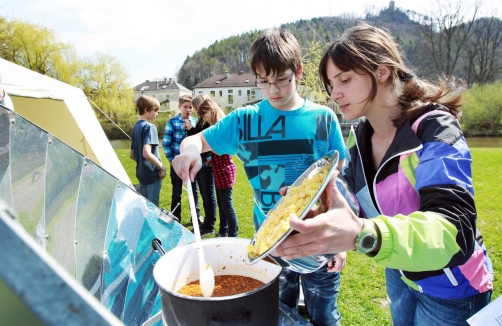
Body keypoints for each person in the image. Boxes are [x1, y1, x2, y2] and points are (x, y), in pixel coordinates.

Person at [274, 23, 493, 326]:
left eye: (345, 80)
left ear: (382, 71)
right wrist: (316, 207)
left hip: (453, 290)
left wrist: (365, 235)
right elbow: (353, 201)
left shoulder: (434, 129)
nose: (334, 94)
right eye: (330, 85)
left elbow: (454, 231)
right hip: (399, 272)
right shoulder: (361, 137)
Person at [172, 29, 347, 326]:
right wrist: (189, 151)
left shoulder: (322, 119)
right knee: (277, 313)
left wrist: (340, 243)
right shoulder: (244, 121)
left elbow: (337, 181)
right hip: (271, 247)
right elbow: (197, 142)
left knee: (324, 316)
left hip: (320, 244)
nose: (274, 89)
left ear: (298, 72)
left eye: (281, 79)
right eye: (264, 82)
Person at [192, 94, 239, 238]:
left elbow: (224, 148)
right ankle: (223, 231)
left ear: (211, 110)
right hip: (218, 170)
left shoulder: (220, 126)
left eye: (203, 114)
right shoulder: (214, 127)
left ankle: (233, 234)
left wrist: (209, 148)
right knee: (222, 204)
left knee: (227, 205)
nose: (203, 118)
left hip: (225, 171)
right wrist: (211, 160)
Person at [162, 95, 203, 224]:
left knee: (194, 191)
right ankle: (175, 217)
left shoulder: (195, 122)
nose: (188, 110)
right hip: (177, 164)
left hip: (191, 165)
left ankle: (196, 216)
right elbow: (166, 144)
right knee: (176, 192)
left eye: (191, 107)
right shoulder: (172, 122)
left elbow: (199, 142)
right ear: (179, 107)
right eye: (185, 107)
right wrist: (172, 161)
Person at [188, 95, 217, 236]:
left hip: (206, 164)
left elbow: (202, 139)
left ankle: (210, 224)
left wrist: (190, 129)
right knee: (205, 194)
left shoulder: (206, 121)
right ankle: (207, 222)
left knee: (208, 194)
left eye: (194, 106)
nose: (193, 110)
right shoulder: (201, 120)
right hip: (201, 163)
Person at [130, 95, 166, 206]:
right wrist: (162, 167)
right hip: (152, 176)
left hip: (141, 174)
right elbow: (146, 153)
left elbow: (132, 154)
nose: (157, 113)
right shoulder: (150, 127)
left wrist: (142, 163)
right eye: (155, 110)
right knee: (153, 210)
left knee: (144, 208)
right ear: (146, 110)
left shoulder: (136, 127)